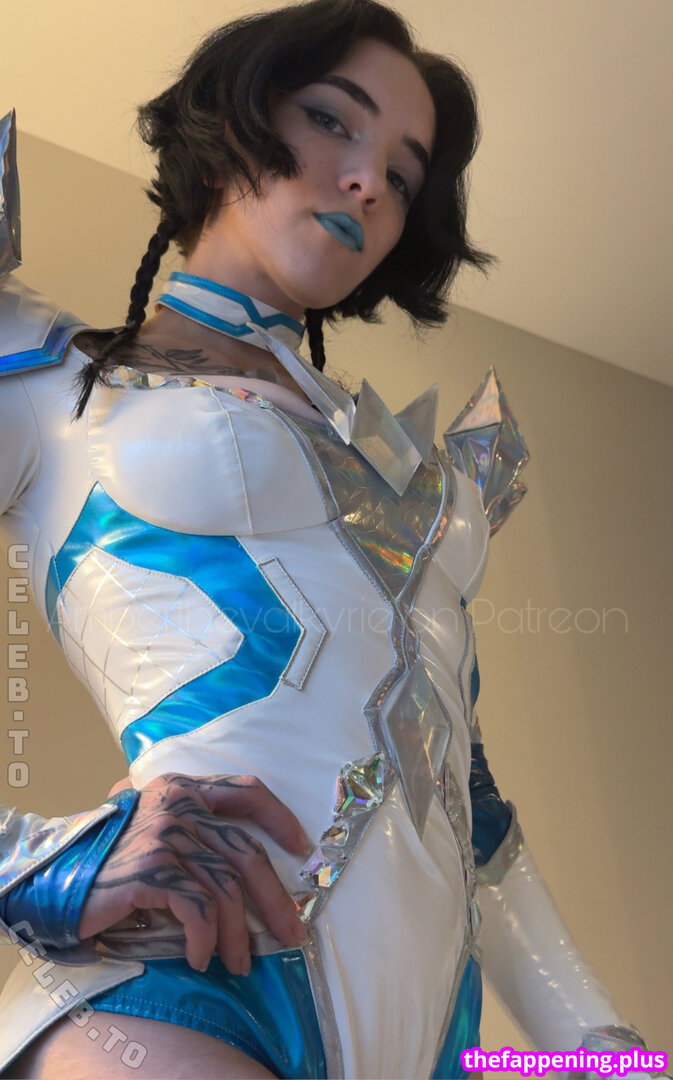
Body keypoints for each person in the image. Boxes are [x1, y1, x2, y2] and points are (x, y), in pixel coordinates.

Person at [0, 2, 661, 1077]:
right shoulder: (52, 386)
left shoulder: (411, 478)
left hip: (433, 1040)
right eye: (331, 121)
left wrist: (605, 1055)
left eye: (402, 174)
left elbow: (469, 807)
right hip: (184, 988)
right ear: (233, 117)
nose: (367, 184)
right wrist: (34, 865)